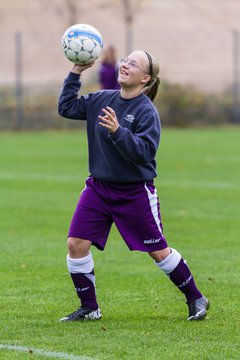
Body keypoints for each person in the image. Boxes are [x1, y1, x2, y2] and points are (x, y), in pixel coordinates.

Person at [58, 50, 210, 322]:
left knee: (158, 251)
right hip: (98, 189)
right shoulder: (102, 99)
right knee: (76, 244)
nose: (125, 65)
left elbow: (144, 153)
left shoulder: (146, 112)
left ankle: (196, 298)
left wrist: (118, 131)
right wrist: (76, 72)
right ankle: (90, 308)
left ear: (146, 78)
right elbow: (66, 108)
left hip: (134, 193)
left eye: (133, 63)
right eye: (125, 60)